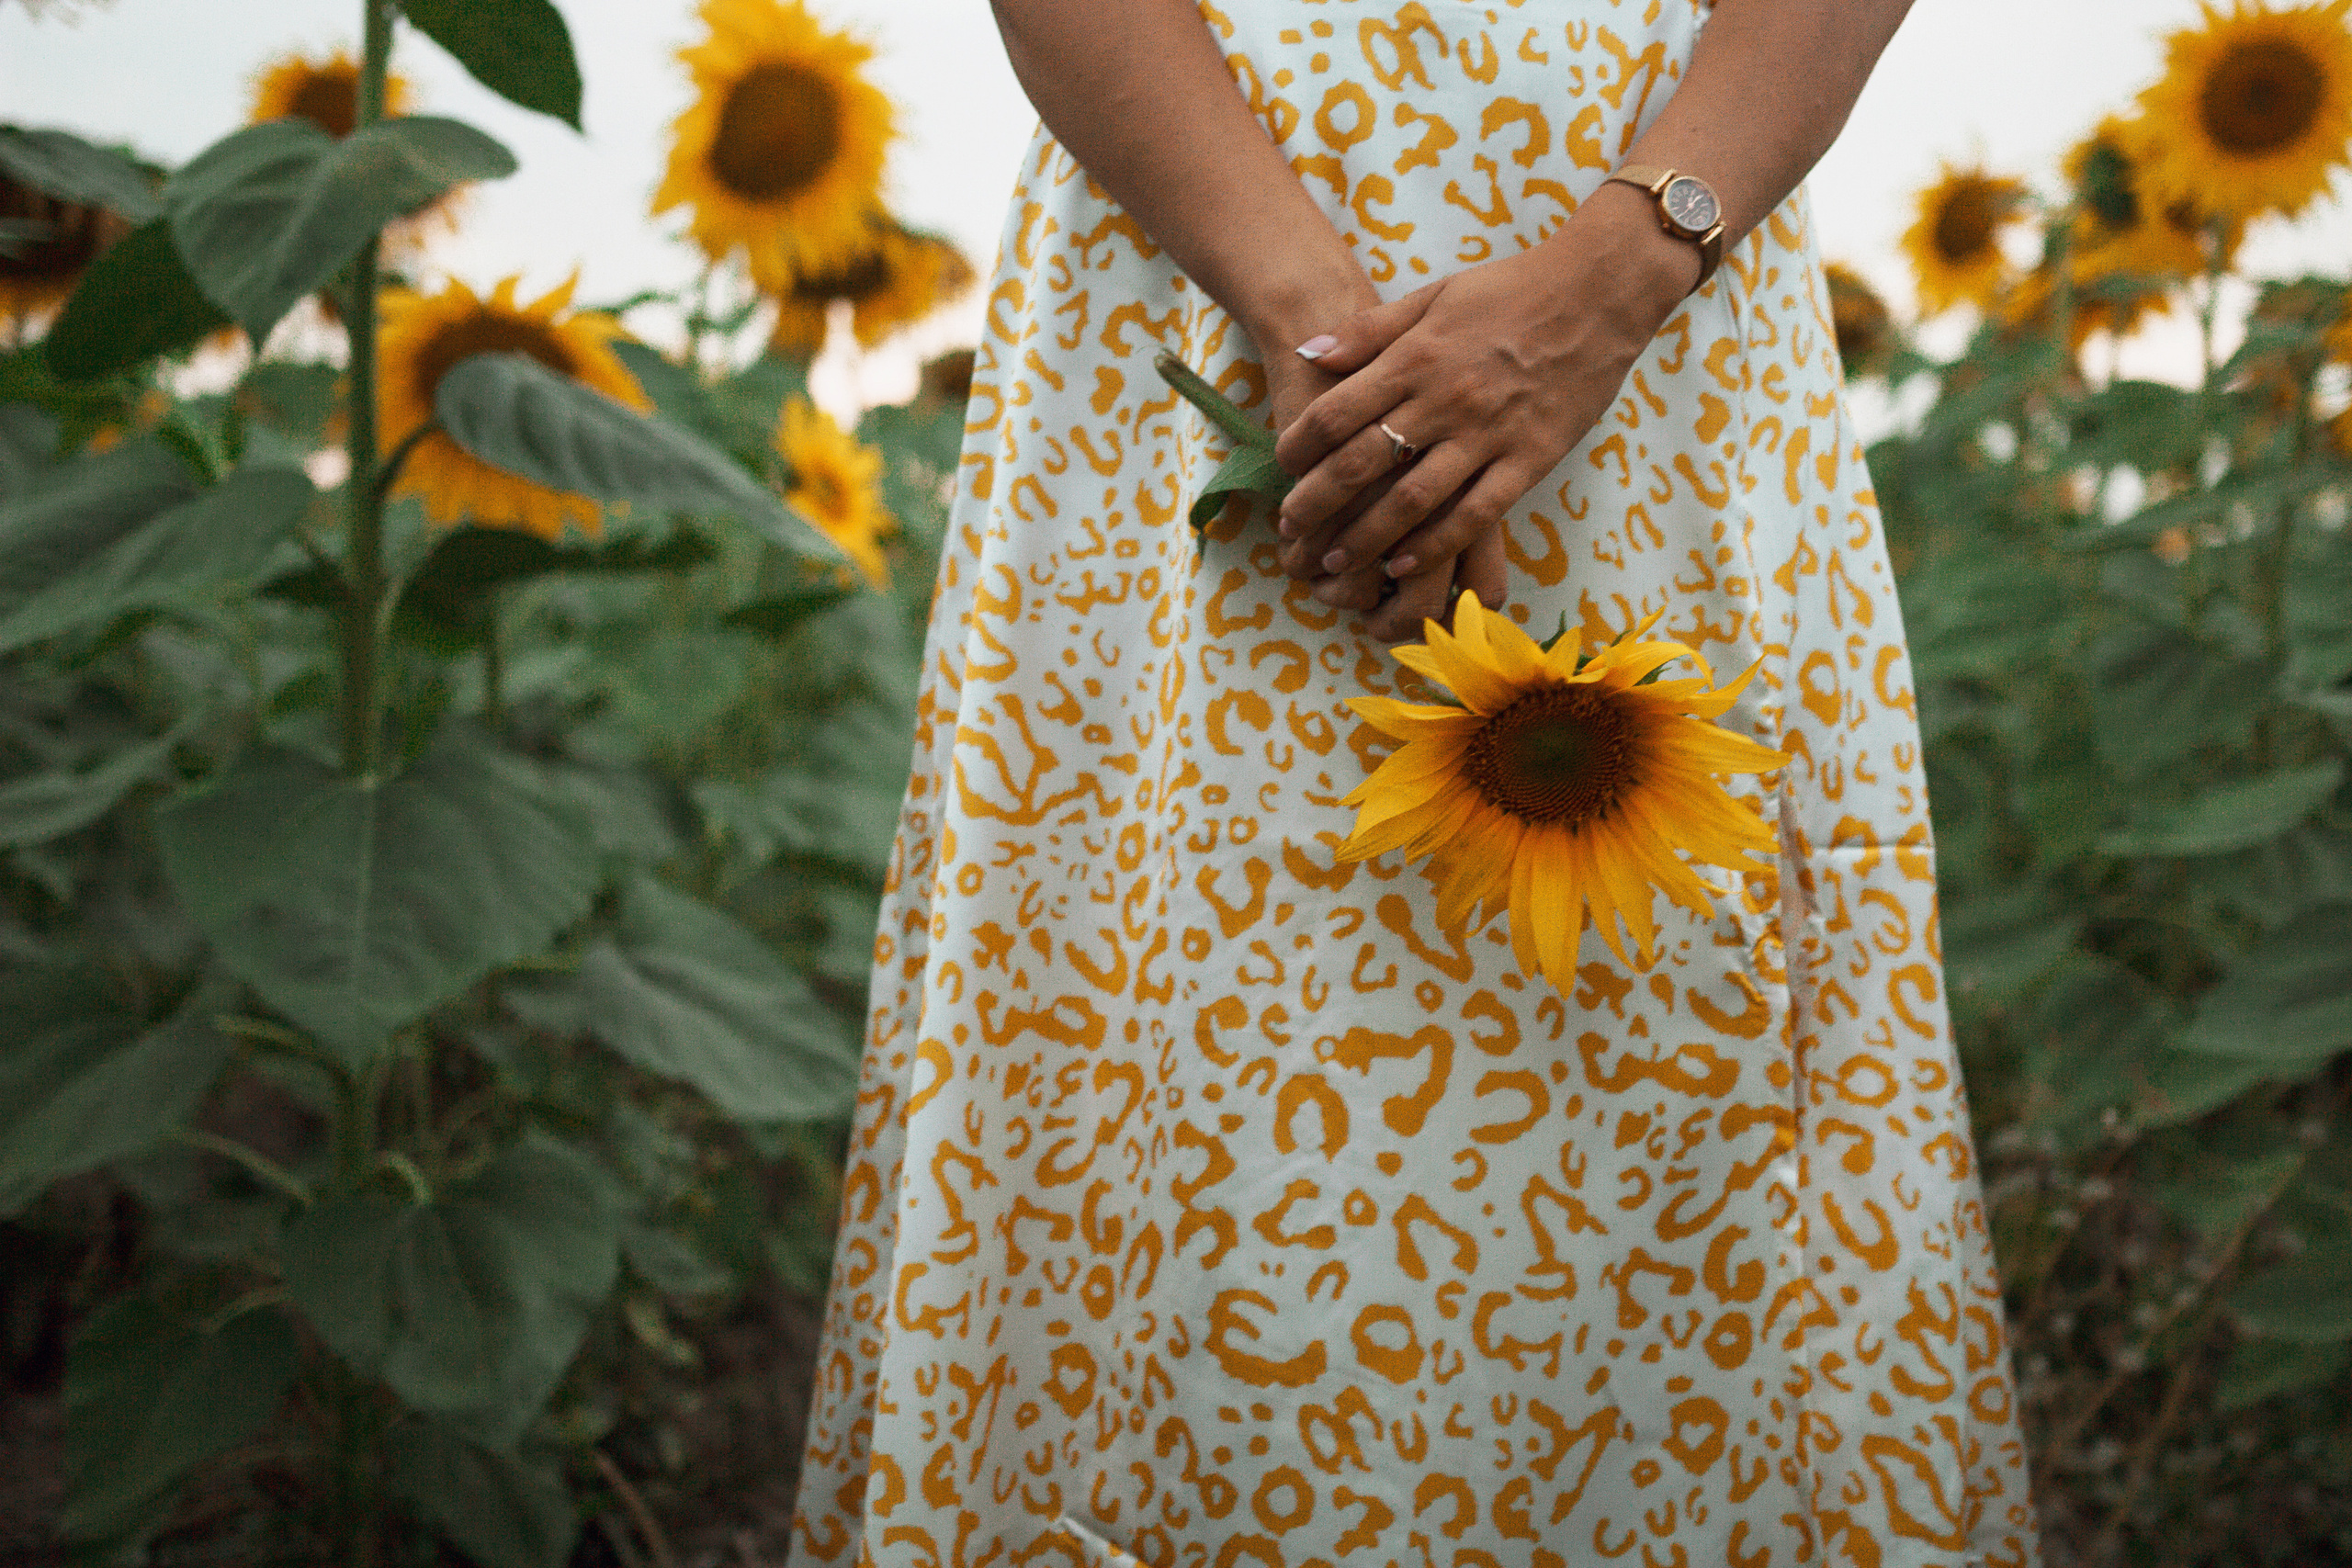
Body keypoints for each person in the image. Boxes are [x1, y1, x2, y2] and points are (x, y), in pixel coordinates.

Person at [786, 0, 2041, 1562]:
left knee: (1675, 1106)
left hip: (1660, 328)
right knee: (1181, 1105)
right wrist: (1321, 338)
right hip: (1197, 272)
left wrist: (1622, 268)